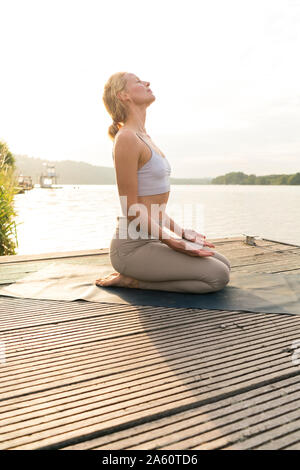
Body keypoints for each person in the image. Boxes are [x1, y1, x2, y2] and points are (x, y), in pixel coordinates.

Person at [95, 72, 231, 293]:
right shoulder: (127, 138)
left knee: (224, 264)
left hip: (153, 239)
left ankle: (140, 271)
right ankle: (130, 280)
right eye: (138, 82)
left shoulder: (145, 137)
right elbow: (131, 208)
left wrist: (182, 232)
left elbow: (154, 210)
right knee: (217, 276)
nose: (147, 82)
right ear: (123, 95)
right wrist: (172, 242)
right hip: (131, 247)